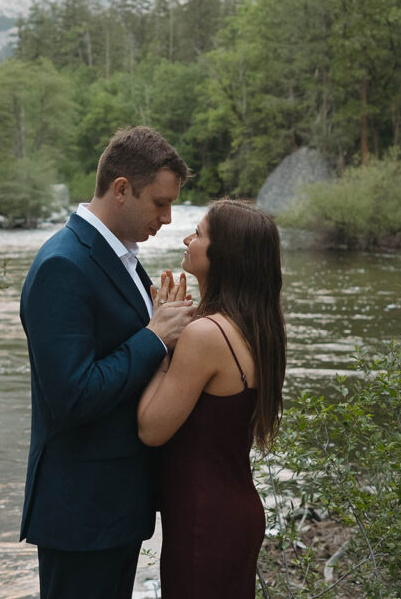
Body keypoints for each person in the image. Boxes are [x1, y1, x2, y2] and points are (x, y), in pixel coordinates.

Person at [18, 126, 195, 599]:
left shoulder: (124, 259)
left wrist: (170, 334)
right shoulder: (64, 265)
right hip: (81, 512)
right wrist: (155, 338)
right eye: (159, 203)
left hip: (114, 505)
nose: (168, 217)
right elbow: (73, 396)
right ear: (121, 189)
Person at [137, 199, 287, 598]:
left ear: (225, 255)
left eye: (199, 234)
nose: (188, 238)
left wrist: (161, 338)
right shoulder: (257, 325)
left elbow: (151, 429)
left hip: (205, 519)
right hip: (232, 510)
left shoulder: (204, 335)